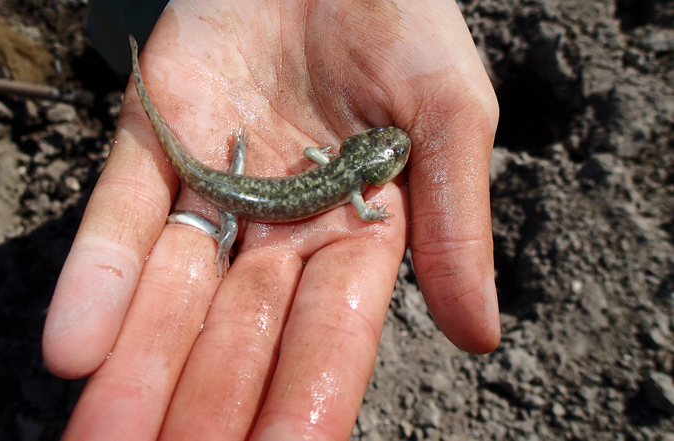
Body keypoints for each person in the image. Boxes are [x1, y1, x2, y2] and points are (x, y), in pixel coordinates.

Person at [43, 0, 500, 439]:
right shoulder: (355, 188)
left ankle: (220, 200)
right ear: (370, 167)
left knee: (228, 195)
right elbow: (360, 209)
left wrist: (285, 159)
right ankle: (223, 231)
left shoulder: (340, 170)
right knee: (228, 209)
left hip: (240, 188)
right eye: (393, 150)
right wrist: (368, 213)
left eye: (395, 151)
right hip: (237, 197)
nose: (399, 146)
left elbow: (312, 153)